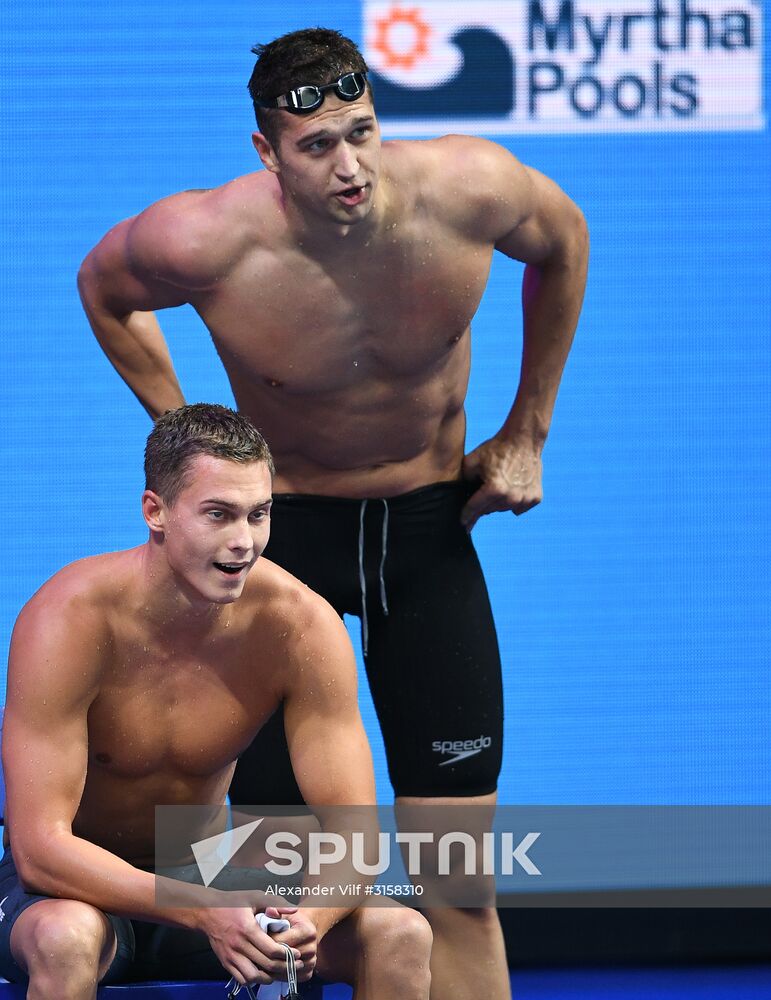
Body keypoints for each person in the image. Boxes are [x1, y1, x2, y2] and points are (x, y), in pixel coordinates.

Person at [77, 27, 589, 1000]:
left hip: (428, 538)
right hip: (283, 550)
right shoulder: (206, 240)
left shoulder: (468, 189)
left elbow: (564, 244)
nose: (350, 167)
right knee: (288, 883)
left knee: (457, 884)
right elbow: (103, 289)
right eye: (317, 147)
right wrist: (190, 432)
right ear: (267, 153)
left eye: (362, 133)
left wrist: (529, 429)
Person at [0, 403, 432, 1000]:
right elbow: (38, 851)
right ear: (156, 511)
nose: (243, 543)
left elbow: (355, 834)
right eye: (218, 515)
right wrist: (203, 910)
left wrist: (311, 923)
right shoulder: (68, 621)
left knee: (399, 933)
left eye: (259, 515)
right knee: (64, 938)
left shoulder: (300, 625)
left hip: (201, 875)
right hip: (73, 889)